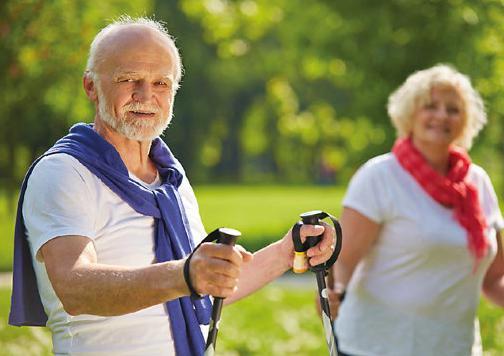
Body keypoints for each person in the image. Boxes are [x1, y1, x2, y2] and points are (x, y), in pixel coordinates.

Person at [9, 17, 337, 355]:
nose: (145, 95)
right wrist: (184, 275)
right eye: (128, 79)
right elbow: (75, 287)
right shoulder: (64, 172)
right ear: (91, 87)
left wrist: (288, 250)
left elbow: (205, 287)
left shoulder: (170, 178)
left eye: (161, 83)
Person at [326, 65, 504, 356]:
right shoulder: (380, 176)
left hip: (455, 347)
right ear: (410, 114)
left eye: (453, 109)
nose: (442, 115)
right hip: (377, 346)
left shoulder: (478, 183)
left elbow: (495, 277)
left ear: (466, 120)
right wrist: (336, 293)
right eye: (430, 106)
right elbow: (343, 261)